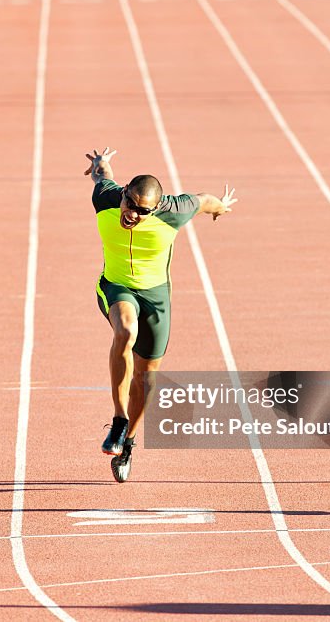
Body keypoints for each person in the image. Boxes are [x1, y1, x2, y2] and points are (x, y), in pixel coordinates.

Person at [84, 147, 237, 483]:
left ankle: (128, 443)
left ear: (156, 208)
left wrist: (221, 207)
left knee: (146, 379)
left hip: (156, 298)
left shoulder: (174, 211)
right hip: (115, 287)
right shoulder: (106, 198)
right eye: (130, 204)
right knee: (125, 330)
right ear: (123, 194)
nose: (133, 215)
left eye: (143, 211)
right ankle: (119, 418)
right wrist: (100, 163)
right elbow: (102, 176)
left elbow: (204, 199)